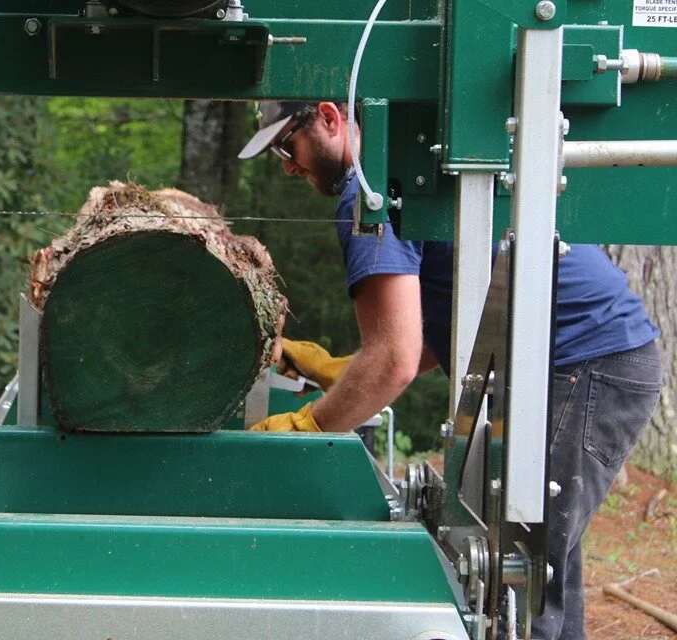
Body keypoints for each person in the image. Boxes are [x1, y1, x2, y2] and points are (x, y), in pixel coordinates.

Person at [238, 101, 663, 640]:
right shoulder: (406, 167)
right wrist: (327, 368)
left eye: (287, 144)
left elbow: (393, 362)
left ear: (329, 117)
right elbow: (422, 347)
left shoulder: (370, 189)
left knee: (514, 579)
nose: (287, 165)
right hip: (575, 362)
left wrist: (309, 427)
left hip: (582, 359)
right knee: (539, 567)